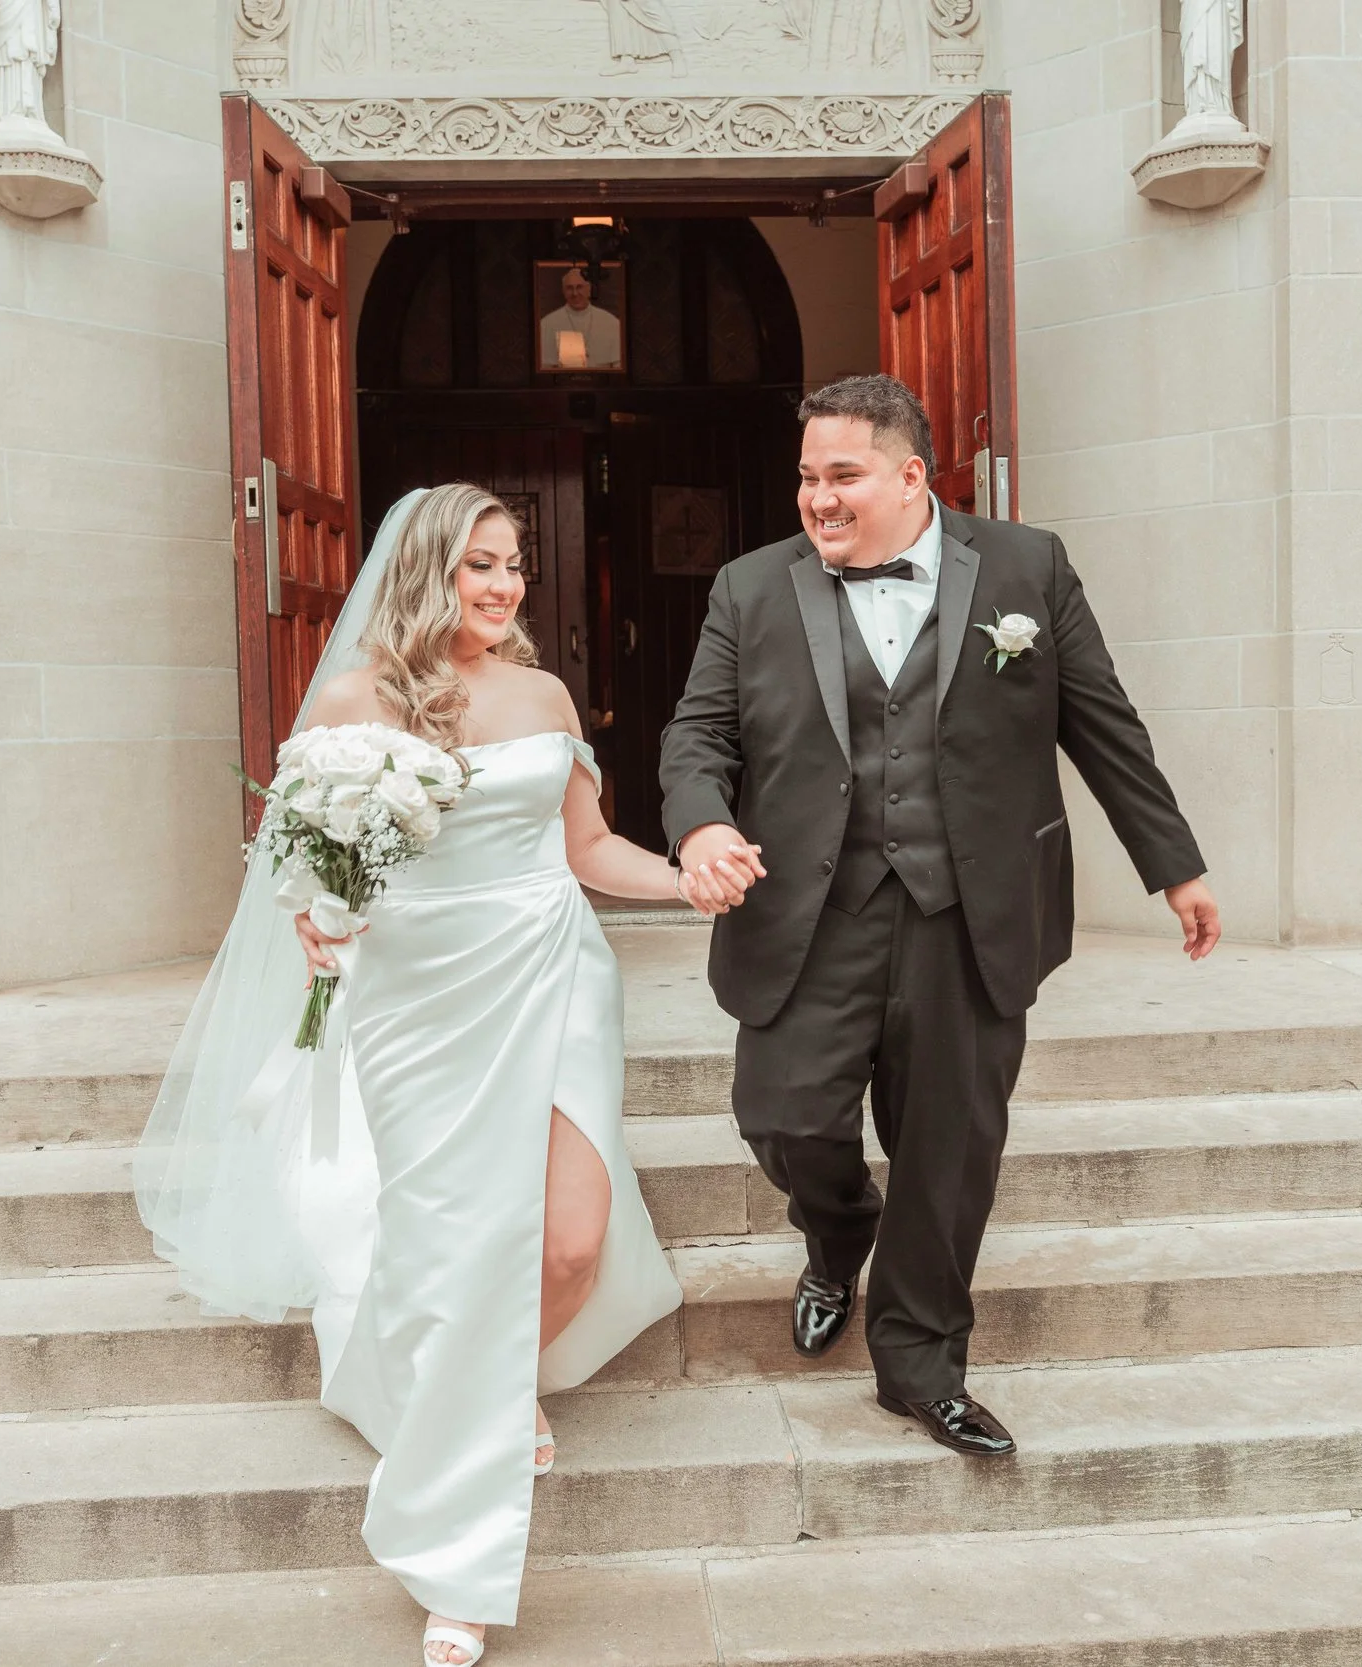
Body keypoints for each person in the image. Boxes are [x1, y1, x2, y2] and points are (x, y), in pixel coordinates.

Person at [137, 484, 735, 1666]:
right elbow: (305, 864)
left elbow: (586, 847)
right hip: (417, 1002)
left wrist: (689, 881)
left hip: (551, 973)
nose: (505, 587)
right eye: (479, 567)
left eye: (514, 565)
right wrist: (316, 920)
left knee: (571, 1236)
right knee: (444, 1248)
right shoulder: (357, 700)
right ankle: (456, 1560)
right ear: (427, 571)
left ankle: (481, 1395)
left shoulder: (544, 692)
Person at [660, 374, 1221, 1459]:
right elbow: (698, 734)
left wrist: (1174, 865)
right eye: (805, 477)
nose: (817, 498)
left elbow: (1102, 723)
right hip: (807, 910)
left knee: (948, 1147)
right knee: (782, 1116)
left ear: (910, 474)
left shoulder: (1025, 568)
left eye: (842, 475)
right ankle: (836, 1227)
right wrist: (699, 829)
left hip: (970, 911)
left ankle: (919, 1363)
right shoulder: (749, 588)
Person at [538, 267, 622, 371]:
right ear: (563, 291)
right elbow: (545, 369)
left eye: (579, 287)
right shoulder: (547, 324)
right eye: (569, 288)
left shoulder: (611, 323)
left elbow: (619, 367)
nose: (575, 293)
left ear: (589, 289)